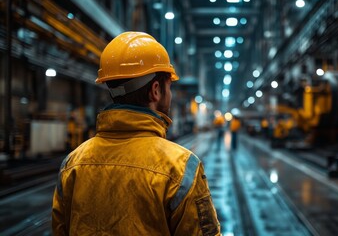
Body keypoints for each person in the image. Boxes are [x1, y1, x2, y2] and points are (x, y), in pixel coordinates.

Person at [52, 32, 221, 236]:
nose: (170, 95)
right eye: (169, 87)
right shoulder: (181, 168)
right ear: (156, 90)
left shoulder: (72, 164)